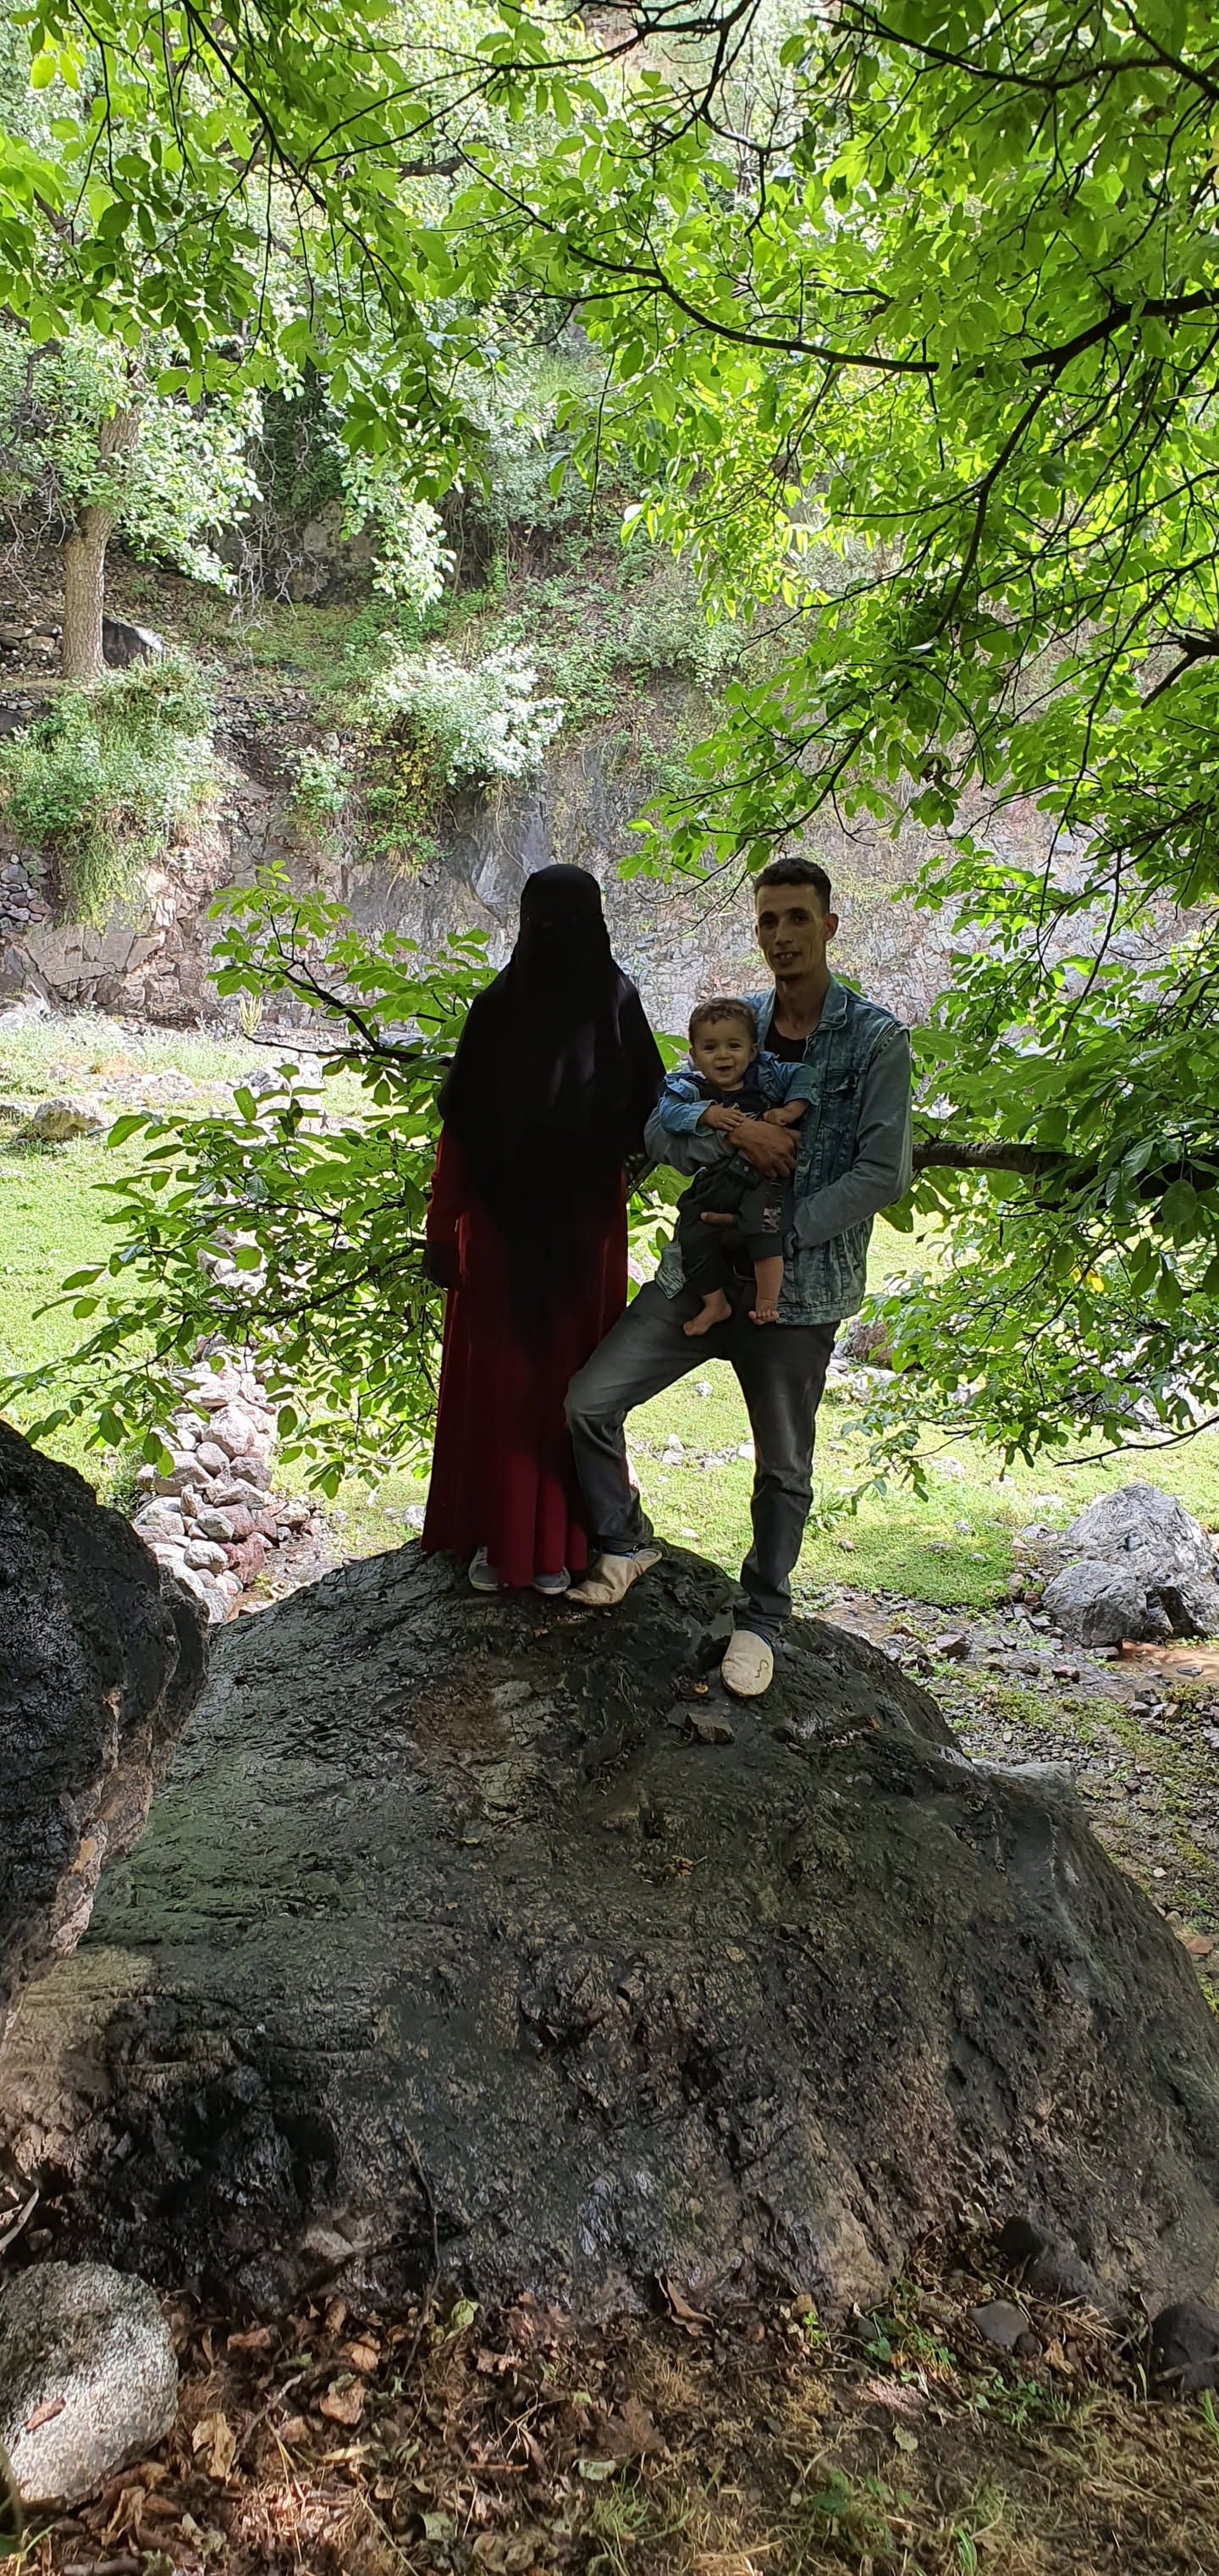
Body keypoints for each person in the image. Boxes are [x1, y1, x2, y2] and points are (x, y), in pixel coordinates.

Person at [565, 857, 913, 1696]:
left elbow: (884, 1173)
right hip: (695, 1274)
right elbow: (660, 1129)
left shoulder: (874, 1040)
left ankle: (760, 1618)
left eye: (798, 918)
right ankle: (624, 1540)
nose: (782, 935)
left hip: (799, 1293)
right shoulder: (732, 1024)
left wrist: (780, 1231)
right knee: (588, 1401)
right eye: (768, 920)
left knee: (783, 1467)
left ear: (829, 926)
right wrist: (737, 1131)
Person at [422, 864, 664, 1595]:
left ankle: (527, 1542)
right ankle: (536, 1543)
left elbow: (460, 1138)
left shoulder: (514, 1004)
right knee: (541, 1379)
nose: (557, 938)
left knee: (548, 1383)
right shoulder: (593, 1001)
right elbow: (647, 1118)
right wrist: (443, 1229)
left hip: (542, 1234)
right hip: (552, 1234)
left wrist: (444, 1228)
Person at [658, 996, 816, 1332]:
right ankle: (715, 1303)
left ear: (753, 1051)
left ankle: (767, 1302)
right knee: (692, 1230)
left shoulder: (766, 1076)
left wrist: (790, 1110)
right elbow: (667, 1115)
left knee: (765, 1228)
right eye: (710, 1047)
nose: (723, 1055)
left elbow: (806, 1075)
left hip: (765, 1178)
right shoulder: (690, 1088)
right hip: (718, 1179)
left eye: (734, 1046)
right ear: (694, 1055)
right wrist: (705, 1114)